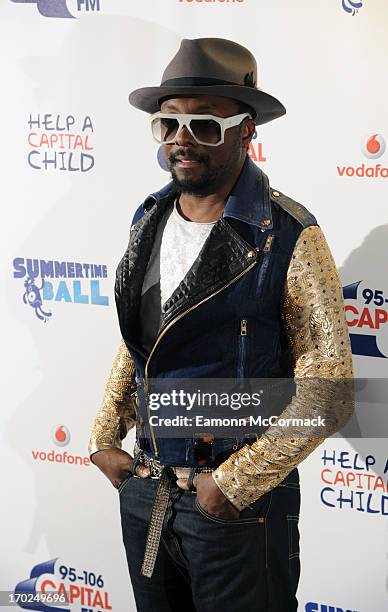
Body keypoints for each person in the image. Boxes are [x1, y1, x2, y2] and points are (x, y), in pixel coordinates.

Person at [88, 38, 354, 612]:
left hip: (239, 511)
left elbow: (329, 390)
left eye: (205, 125)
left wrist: (231, 486)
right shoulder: (149, 216)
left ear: (246, 131)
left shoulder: (287, 234)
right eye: (169, 123)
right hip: (146, 494)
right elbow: (144, 340)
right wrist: (105, 437)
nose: (181, 139)